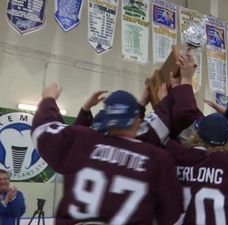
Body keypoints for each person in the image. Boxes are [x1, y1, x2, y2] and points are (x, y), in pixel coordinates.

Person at [31, 83, 183, 225]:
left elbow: (42, 131)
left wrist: (48, 100)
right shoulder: (156, 158)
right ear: (137, 121)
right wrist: (165, 101)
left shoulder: (82, 143)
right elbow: (171, 212)